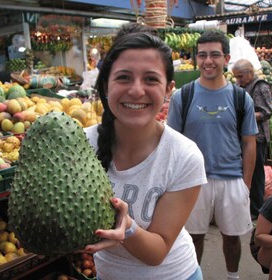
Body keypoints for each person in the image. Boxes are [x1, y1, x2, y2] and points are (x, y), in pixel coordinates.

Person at [82, 31, 207, 280]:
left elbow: (157, 252)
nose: (137, 91)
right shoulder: (82, 143)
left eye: (151, 79)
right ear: (106, 85)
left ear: (168, 89)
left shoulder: (184, 156)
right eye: (124, 78)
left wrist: (127, 227)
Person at [167, 30, 258, 280]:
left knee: (232, 235)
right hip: (193, 181)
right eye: (203, 55)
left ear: (226, 58)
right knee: (192, 237)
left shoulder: (241, 98)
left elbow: (249, 142)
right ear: (196, 58)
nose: (208, 60)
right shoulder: (182, 97)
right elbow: (171, 142)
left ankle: (233, 276)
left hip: (231, 179)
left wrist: (246, 183)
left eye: (215, 55)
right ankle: (191, 276)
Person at [232, 59, 272, 221]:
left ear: (250, 72)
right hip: (243, 136)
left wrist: (244, 116)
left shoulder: (260, 87)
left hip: (258, 137)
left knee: (255, 174)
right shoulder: (241, 87)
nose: (238, 80)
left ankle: (256, 210)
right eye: (236, 77)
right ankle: (245, 207)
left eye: (240, 76)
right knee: (245, 172)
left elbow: (266, 112)